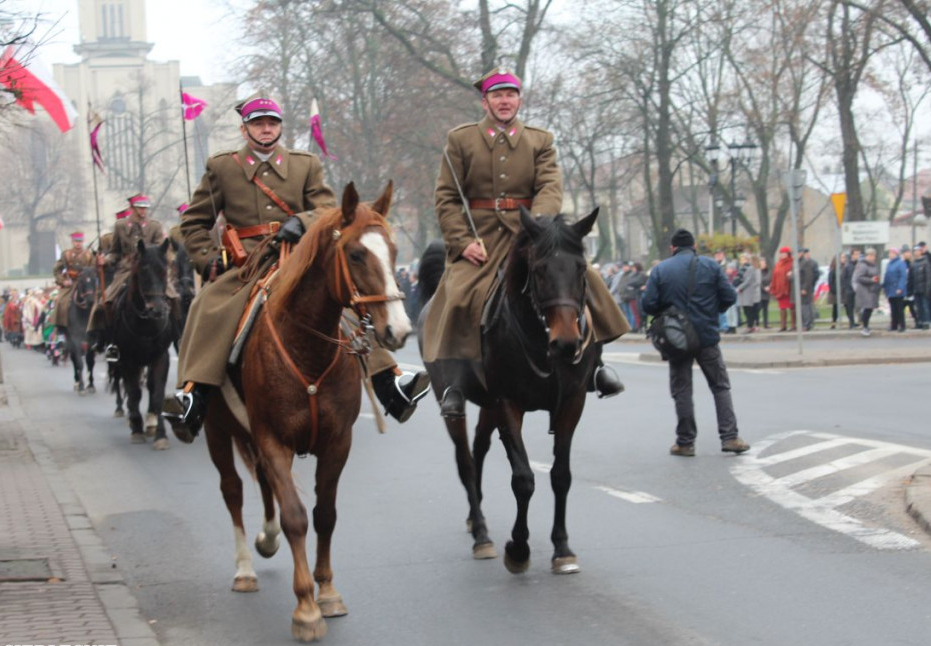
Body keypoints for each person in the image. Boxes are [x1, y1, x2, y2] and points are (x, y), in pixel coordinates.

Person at [162, 93, 429, 442]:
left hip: (298, 258)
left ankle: (389, 380)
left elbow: (327, 210)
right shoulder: (222, 167)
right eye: (258, 123)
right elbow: (192, 224)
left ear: (280, 128)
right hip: (247, 263)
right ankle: (193, 394)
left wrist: (300, 222)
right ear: (245, 129)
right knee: (208, 305)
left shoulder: (305, 164)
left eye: (272, 123)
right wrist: (209, 257)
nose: (266, 128)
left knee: (346, 302)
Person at [425, 67, 629, 417]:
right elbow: (446, 198)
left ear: (519, 99)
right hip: (482, 239)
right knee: (458, 296)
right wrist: (462, 242)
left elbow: (550, 186)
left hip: (533, 233)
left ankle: (595, 366)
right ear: (485, 100)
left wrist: (539, 227)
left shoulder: (540, 140)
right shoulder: (461, 140)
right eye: (497, 95)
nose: (505, 101)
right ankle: (455, 382)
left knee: (583, 279)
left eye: (511, 95)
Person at [641, 229, 749, 456]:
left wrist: (667, 312)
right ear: (694, 247)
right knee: (720, 386)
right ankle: (730, 437)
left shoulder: (661, 269)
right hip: (707, 337)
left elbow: (648, 304)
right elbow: (729, 296)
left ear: (672, 248)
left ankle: (685, 442)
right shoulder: (710, 266)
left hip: (676, 338)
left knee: (682, 390)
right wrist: (711, 311)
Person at [88, 195, 167, 361]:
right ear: (132, 208)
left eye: (145, 207)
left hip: (150, 269)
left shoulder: (154, 226)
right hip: (126, 270)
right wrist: (105, 260)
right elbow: (115, 252)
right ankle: (109, 342)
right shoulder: (121, 226)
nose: (143, 211)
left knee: (174, 298)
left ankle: (179, 337)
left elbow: (162, 249)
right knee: (106, 303)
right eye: (140, 207)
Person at [53, 232, 98, 333]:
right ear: (72, 242)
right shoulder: (66, 254)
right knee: (61, 301)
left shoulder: (88, 255)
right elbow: (57, 269)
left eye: (80, 241)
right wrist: (63, 281)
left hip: (86, 283)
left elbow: (93, 269)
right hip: (71, 283)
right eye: (76, 241)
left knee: (97, 301)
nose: (78, 244)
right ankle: (61, 327)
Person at [853, 247, 880, 336]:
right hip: (865, 291)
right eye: (871, 255)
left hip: (872, 290)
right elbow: (859, 277)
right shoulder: (862, 265)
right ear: (867, 256)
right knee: (867, 308)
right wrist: (871, 279)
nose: (873, 258)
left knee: (870, 308)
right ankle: (865, 326)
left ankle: (866, 325)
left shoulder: (873, 265)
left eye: (874, 256)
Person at [768, 246, 795, 331]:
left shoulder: (792, 263)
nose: (783, 255)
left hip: (788, 289)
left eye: (784, 253)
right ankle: (783, 326)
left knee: (792, 307)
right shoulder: (778, 264)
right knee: (782, 308)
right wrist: (773, 286)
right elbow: (774, 276)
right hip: (780, 289)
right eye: (781, 253)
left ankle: (793, 325)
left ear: (788, 254)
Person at [735, 252, 762, 333]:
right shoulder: (741, 268)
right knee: (746, 310)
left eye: (743, 259)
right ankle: (750, 325)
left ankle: (750, 326)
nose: (741, 261)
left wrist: (739, 288)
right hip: (743, 292)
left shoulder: (750, 268)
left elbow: (748, 281)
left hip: (747, 292)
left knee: (749, 310)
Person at [883, 247, 908, 332]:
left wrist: (900, 287)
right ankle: (894, 325)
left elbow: (903, 276)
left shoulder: (900, 263)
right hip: (890, 289)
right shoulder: (889, 264)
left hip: (897, 290)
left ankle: (902, 325)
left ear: (895, 254)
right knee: (893, 309)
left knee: (899, 309)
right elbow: (887, 276)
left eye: (891, 253)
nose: (889, 254)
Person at [910, 244, 931, 329]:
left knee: (924, 306)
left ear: (920, 252)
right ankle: (919, 322)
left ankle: (926, 322)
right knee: (918, 307)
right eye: (914, 251)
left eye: (917, 251)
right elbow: (911, 278)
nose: (916, 253)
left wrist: (927, 289)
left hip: (923, 289)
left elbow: (928, 278)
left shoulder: (925, 262)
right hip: (916, 289)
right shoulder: (913, 264)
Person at [797, 247, 819, 331]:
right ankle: (807, 323)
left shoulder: (808, 263)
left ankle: (807, 323)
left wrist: (807, 287)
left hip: (807, 287)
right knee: (806, 306)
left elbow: (810, 276)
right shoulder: (800, 262)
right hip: (804, 287)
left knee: (806, 306)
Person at [841, 248, 861, 328]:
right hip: (849, 290)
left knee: (859, 306)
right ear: (852, 255)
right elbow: (844, 278)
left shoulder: (859, 265)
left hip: (858, 289)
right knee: (850, 307)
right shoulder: (848, 266)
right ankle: (851, 322)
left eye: (858, 254)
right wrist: (847, 288)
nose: (858, 256)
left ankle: (860, 321)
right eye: (856, 254)